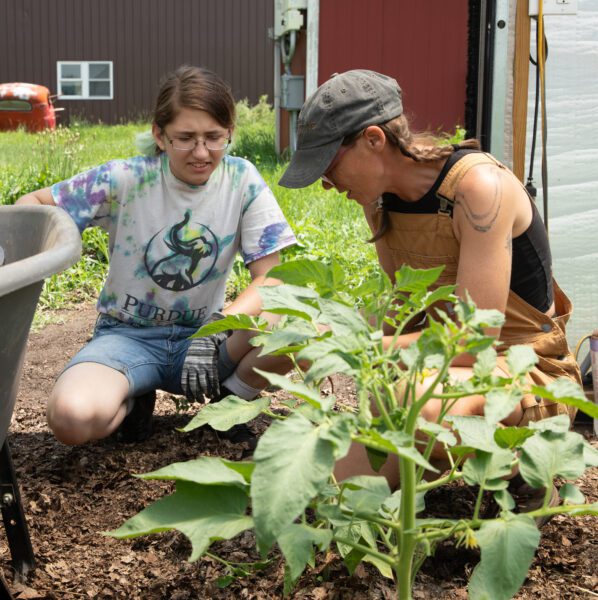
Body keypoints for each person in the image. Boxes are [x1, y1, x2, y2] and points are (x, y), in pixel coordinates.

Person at [278, 69, 581, 511]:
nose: (326, 182)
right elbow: (406, 309)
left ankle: (528, 465)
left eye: (329, 164)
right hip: (445, 376)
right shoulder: (378, 201)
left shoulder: (478, 190)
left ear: (374, 140)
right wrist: (326, 332)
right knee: (317, 494)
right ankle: (438, 457)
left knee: (406, 403)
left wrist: (358, 347)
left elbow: (472, 341)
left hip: (527, 374)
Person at [16, 65, 296, 446]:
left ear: (230, 132)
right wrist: (58, 247)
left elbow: (274, 278)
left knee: (302, 325)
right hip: (128, 337)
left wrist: (218, 328)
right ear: (159, 135)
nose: (201, 153)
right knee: (71, 420)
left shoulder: (241, 180)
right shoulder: (125, 179)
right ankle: (132, 401)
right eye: (185, 138)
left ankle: (227, 405)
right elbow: (32, 203)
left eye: (214, 137)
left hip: (208, 339)